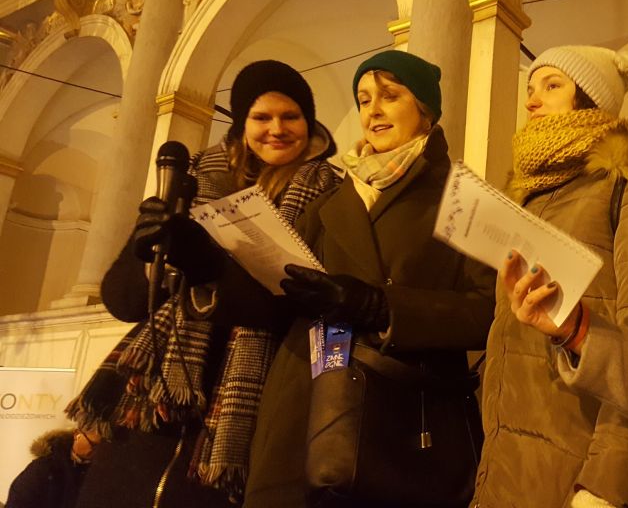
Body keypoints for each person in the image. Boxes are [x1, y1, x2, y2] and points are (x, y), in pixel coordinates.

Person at [65, 59, 339, 507]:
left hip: (250, 388)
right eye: (261, 117)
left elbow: (291, 306)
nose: (277, 128)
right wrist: (145, 248)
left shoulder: (327, 193)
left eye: (291, 117)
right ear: (241, 123)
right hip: (158, 391)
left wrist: (207, 265)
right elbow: (126, 304)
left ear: (309, 124)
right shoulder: (194, 179)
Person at [244, 50, 495, 508]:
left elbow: (487, 310)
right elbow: (280, 298)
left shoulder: (463, 197)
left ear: (425, 111)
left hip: (400, 424)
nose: (372, 110)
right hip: (307, 407)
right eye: (363, 99)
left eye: (389, 96)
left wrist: (382, 307)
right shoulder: (331, 200)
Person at [471, 45, 628, 508]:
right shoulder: (531, 195)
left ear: (591, 98)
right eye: (530, 89)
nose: (532, 100)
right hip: (510, 467)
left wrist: (606, 487)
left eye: (552, 86)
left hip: (578, 473)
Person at [6, 427, 101, 508]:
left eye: (101, 447)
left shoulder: (98, 474)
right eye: (93, 444)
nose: (96, 451)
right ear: (77, 435)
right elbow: (18, 501)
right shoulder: (44, 467)